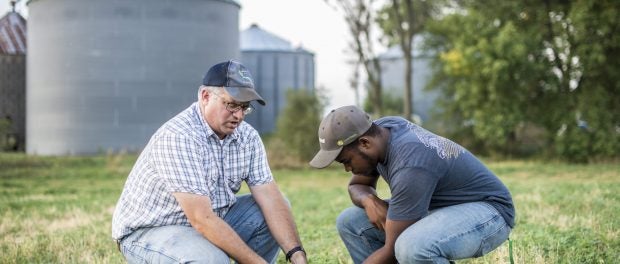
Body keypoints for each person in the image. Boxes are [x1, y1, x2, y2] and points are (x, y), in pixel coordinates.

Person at [112, 60, 307, 264]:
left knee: (276, 205)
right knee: (211, 260)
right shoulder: (179, 136)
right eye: (231, 104)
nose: (239, 115)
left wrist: (296, 254)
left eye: (244, 107)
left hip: (213, 219)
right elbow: (201, 219)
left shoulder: (248, 137)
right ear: (205, 97)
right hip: (151, 230)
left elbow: (270, 198)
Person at [309, 105, 515, 264]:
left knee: (412, 247)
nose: (347, 169)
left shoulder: (411, 162)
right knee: (350, 221)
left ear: (364, 143)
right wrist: (369, 200)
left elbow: (391, 251)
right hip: (440, 209)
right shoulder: (383, 131)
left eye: (346, 161)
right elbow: (358, 186)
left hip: (489, 213)